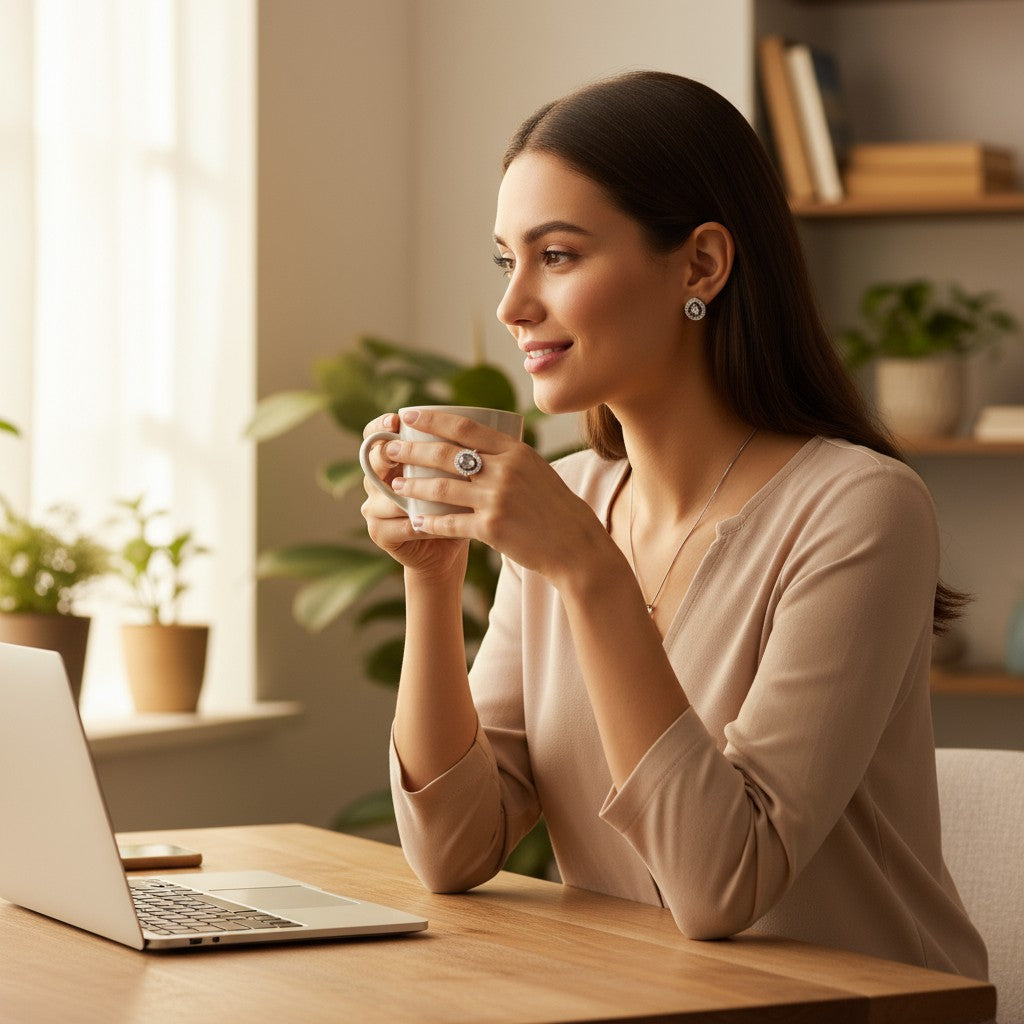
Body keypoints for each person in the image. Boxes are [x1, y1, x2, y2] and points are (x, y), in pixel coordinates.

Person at [360, 71, 988, 979]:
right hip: (653, 1000)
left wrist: (586, 568)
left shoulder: (861, 508)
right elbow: (454, 848)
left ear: (700, 265)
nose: (513, 304)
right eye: (507, 260)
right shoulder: (568, 500)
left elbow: (722, 882)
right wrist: (431, 571)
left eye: (559, 256)